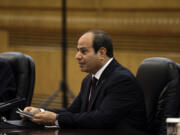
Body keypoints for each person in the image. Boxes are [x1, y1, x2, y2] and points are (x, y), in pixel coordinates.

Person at [22, 30, 147, 131]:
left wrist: (56, 118)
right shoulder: (89, 79)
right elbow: (72, 112)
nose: (77, 56)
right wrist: (41, 112)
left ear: (102, 53)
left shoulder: (121, 80)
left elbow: (102, 119)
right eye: (77, 51)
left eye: (83, 51)